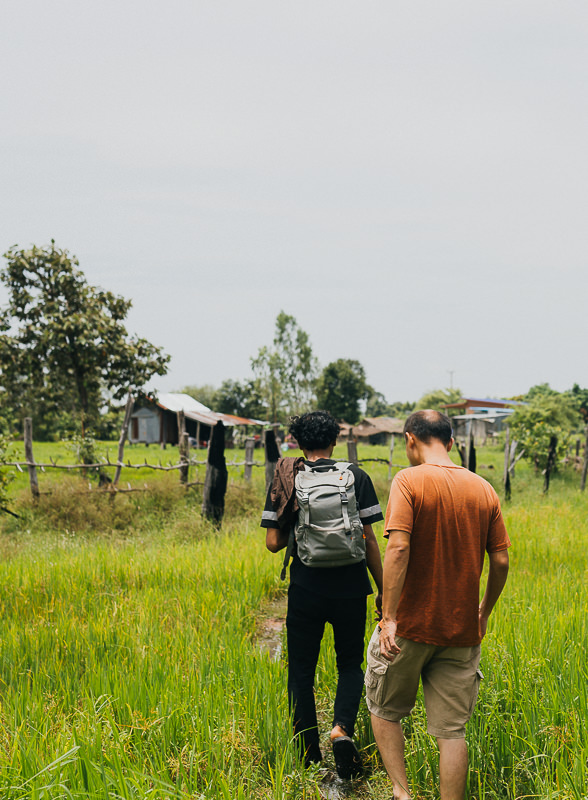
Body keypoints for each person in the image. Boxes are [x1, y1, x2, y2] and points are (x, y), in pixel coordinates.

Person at [365, 410, 510, 800]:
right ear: (449, 441)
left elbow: (397, 546)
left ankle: (401, 792)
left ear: (411, 439)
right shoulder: (483, 488)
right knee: (451, 733)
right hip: (462, 632)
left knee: (383, 709)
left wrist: (389, 618)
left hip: (408, 627)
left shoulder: (408, 480)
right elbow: (500, 560)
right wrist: (484, 611)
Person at [261, 410, 384, 778]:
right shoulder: (355, 476)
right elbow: (370, 539)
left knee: (301, 671)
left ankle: (309, 758)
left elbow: (271, 543)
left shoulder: (288, 476)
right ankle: (341, 729)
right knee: (349, 663)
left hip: (306, 588)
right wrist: (383, 590)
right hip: (350, 588)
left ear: (297, 442)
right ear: (335, 440)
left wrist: (296, 524)